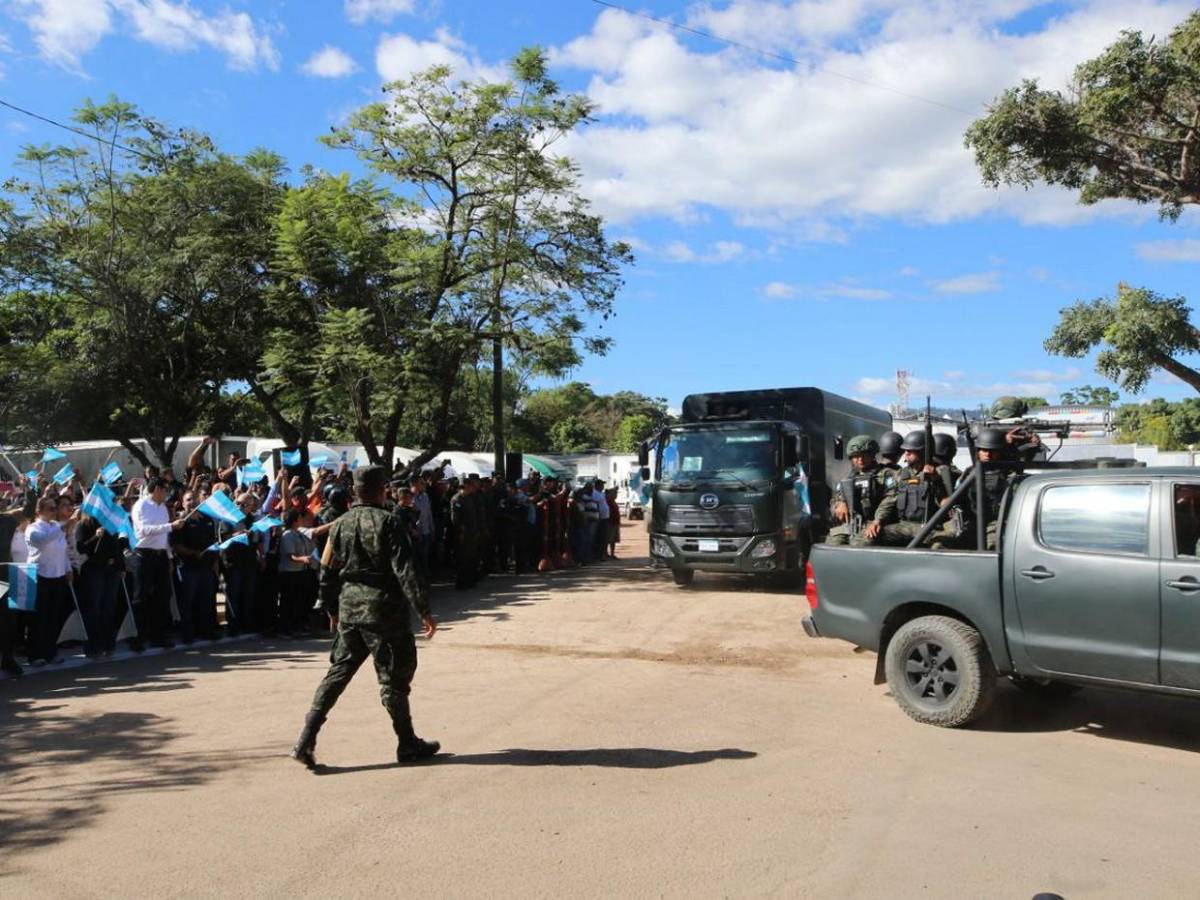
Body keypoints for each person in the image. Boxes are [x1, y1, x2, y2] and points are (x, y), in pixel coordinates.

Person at [290, 465, 439, 769]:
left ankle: (305, 740)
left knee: (337, 674)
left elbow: (328, 571)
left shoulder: (340, 525)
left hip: (350, 611)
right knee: (394, 679)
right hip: (383, 611)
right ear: (382, 489)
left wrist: (332, 609)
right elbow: (406, 570)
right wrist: (423, 609)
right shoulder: (389, 522)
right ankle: (407, 742)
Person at [131, 477, 186, 649]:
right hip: (143, 555)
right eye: (165, 490)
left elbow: (164, 536)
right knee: (141, 597)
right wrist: (170, 526)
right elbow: (142, 531)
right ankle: (139, 637)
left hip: (160, 555)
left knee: (162, 596)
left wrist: (169, 556)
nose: (167, 494)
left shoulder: (162, 507)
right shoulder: (141, 505)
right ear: (156, 489)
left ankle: (159, 635)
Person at [873, 431, 949, 547]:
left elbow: (947, 504)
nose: (906, 454)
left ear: (923, 452)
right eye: (905, 450)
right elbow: (890, 500)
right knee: (869, 536)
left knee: (938, 546)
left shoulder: (942, 472)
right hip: (904, 525)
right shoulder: (901, 474)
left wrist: (936, 480)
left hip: (930, 528)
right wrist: (878, 520)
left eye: (910, 451)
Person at [25, 497, 72, 666]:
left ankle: (50, 651)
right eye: (51, 509)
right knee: (39, 618)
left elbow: (63, 550)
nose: (54, 511)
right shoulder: (33, 528)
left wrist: (68, 568)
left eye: (55, 508)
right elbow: (43, 542)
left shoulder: (57, 527)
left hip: (57, 576)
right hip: (40, 576)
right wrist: (63, 527)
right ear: (40, 511)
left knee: (53, 616)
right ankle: (35, 654)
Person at [826, 436, 896, 546]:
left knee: (858, 545)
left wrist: (878, 520)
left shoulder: (886, 474)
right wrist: (839, 504)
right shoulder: (849, 477)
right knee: (832, 545)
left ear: (872, 455)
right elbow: (835, 499)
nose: (860, 460)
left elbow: (890, 499)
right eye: (856, 456)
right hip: (851, 524)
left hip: (875, 524)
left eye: (864, 455)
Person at [76, 511, 125, 656]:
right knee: (93, 608)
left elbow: (117, 546)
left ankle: (108, 643)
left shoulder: (111, 523)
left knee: (109, 607)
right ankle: (93, 646)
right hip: (94, 569)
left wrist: (121, 566)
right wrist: (95, 537)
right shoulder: (83, 525)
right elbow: (81, 548)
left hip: (112, 570)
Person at [279, 509, 318, 636]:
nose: (302, 520)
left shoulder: (299, 534)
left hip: (300, 571)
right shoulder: (288, 535)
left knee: (298, 600)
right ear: (295, 520)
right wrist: (302, 559)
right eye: (299, 518)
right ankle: (285, 628)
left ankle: (297, 626)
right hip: (289, 572)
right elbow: (290, 556)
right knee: (288, 600)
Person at [450, 476, 480, 590]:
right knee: (462, 558)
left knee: (471, 557)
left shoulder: (469, 498)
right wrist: (461, 532)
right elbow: (455, 519)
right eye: (471, 486)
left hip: (472, 532)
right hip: (463, 534)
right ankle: (461, 583)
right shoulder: (457, 499)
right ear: (466, 486)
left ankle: (469, 581)